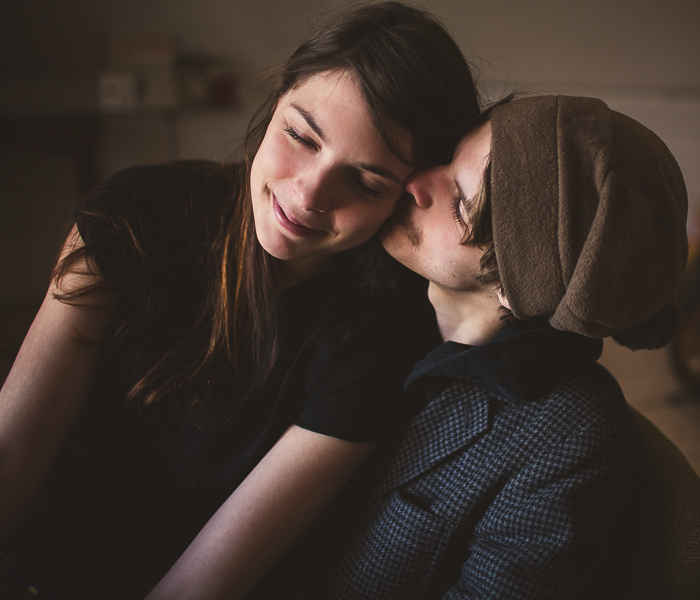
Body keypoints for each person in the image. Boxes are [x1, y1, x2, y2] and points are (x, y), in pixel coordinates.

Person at [0, 3, 480, 598]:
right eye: (301, 136)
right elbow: (9, 458)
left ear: (405, 198)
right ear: (275, 100)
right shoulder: (132, 219)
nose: (308, 195)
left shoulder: (379, 338)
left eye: (365, 181)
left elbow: (203, 584)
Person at [318, 94, 690, 598]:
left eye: (459, 203)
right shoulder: (366, 301)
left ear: (519, 283)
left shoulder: (574, 447)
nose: (415, 182)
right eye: (447, 158)